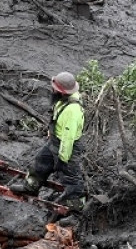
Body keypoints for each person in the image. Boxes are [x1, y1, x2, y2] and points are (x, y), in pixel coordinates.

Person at [9, 71, 86, 214]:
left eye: (55, 88)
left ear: (61, 92)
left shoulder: (73, 109)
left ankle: (76, 213)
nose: (52, 90)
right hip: (56, 141)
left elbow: (68, 137)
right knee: (41, 162)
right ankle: (31, 187)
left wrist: (63, 159)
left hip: (67, 147)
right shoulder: (63, 101)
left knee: (72, 180)